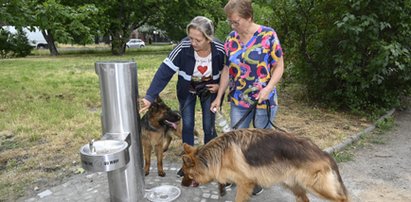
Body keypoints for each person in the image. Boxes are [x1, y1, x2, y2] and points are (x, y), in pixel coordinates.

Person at [210, 0, 285, 195]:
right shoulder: (231, 39)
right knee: (235, 141)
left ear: (249, 17)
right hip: (238, 100)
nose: (233, 26)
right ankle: (238, 173)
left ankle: (257, 178)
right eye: (230, 22)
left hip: (263, 100)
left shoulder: (268, 35)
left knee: (260, 143)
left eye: (236, 21)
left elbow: (279, 66)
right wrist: (219, 96)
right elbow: (227, 69)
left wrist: (268, 88)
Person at [139, 16, 226, 177]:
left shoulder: (220, 49)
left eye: (197, 40)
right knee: (187, 126)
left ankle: (208, 163)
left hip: (210, 90)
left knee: (209, 127)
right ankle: (188, 163)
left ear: (209, 38)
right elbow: (164, 71)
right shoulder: (183, 47)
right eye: (190, 37)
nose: (192, 43)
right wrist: (150, 96)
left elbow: (230, 71)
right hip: (187, 90)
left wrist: (220, 87)